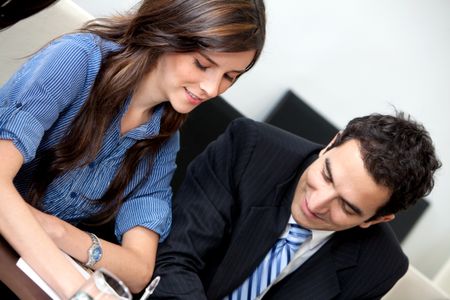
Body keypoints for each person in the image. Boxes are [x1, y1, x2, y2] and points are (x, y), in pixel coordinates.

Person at [0, 0, 266, 297]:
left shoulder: (163, 140)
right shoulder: (78, 60)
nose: (212, 88)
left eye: (230, 76)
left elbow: (139, 270)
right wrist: (83, 291)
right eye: (203, 64)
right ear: (167, 32)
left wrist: (57, 231)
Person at [151, 113, 441, 300]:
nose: (316, 203)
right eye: (327, 175)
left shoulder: (380, 266)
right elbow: (175, 258)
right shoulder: (250, 149)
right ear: (331, 144)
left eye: (348, 207)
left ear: (376, 219)